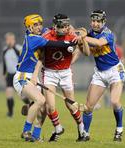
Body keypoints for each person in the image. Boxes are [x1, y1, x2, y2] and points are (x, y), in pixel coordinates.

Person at [13, 14, 78, 142]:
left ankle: (36, 135)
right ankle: (26, 131)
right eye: (35, 25)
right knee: (40, 100)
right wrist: (71, 43)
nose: (39, 27)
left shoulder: (38, 33)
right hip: (23, 76)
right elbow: (54, 43)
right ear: (29, 27)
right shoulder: (33, 39)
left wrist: (74, 31)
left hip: (32, 77)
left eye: (39, 24)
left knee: (43, 108)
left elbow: (55, 29)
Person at [41, 13, 90, 142]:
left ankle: (81, 129)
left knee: (71, 105)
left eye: (66, 26)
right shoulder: (46, 36)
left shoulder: (72, 36)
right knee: (50, 106)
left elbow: (86, 52)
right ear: (55, 26)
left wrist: (82, 39)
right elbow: (39, 53)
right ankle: (58, 128)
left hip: (65, 73)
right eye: (61, 26)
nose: (64, 28)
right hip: (49, 73)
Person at [82, 10, 125, 142]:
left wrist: (82, 37)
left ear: (103, 22)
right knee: (88, 107)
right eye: (93, 21)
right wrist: (80, 39)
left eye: (98, 21)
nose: (95, 24)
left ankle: (119, 130)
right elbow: (86, 53)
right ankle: (86, 134)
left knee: (114, 101)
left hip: (115, 71)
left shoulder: (108, 33)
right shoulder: (88, 34)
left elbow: (99, 43)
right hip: (100, 73)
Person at [2, 32, 22, 117]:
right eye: (8, 40)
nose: (9, 41)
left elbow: (21, 57)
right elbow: (4, 63)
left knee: (22, 95)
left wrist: (13, 47)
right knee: (9, 93)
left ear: (14, 40)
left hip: (18, 74)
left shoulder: (18, 48)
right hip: (9, 75)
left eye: (11, 39)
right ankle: (10, 113)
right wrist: (4, 73)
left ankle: (30, 106)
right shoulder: (5, 50)